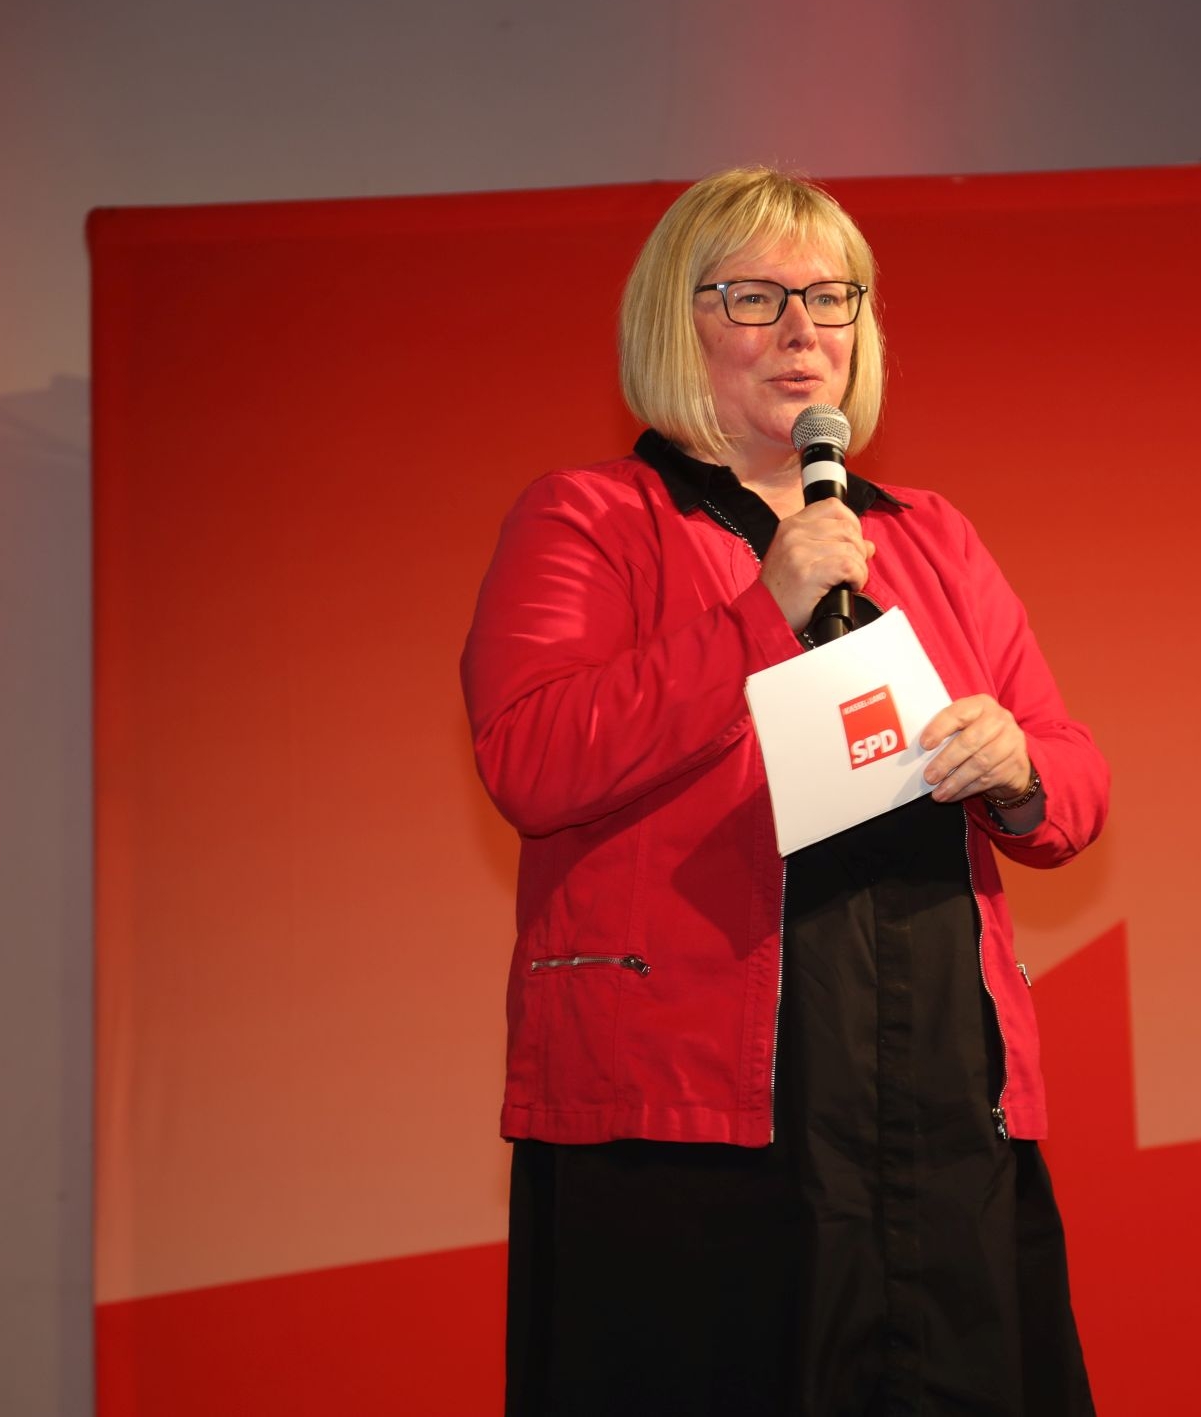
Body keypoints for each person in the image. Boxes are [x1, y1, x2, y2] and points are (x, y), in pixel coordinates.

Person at [461, 166, 1110, 1416]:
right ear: (676, 321)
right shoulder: (590, 518)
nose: (804, 329)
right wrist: (762, 613)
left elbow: (1072, 772)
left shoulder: (928, 533)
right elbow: (532, 758)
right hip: (689, 1120)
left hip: (932, 1096)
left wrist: (1018, 769)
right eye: (755, 297)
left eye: (832, 296)